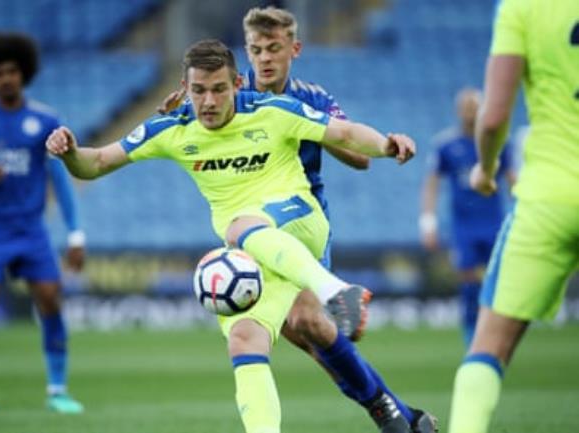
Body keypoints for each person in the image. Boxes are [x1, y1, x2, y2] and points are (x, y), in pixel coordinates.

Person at [48, 39, 419, 433]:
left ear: (238, 84)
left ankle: (335, 291)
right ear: (185, 88)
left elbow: (343, 133)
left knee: (239, 227)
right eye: (199, 90)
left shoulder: (272, 110)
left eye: (219, 89)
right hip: (256, 253)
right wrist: (70, 152)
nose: (208, 101)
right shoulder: (172, 129)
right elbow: (99, 162)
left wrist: (384, 144)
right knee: (245, 338)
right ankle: (390, 411)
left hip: (298, 222)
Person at [159, 7, 436, 433]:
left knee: (307, 321)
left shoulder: (312, 98)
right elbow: (186, 129)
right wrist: (180, 112)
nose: (264, 58)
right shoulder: (226, 93)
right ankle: (395, 411)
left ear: (295, 49)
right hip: (252, 229)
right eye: (255, 50)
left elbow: (359, 157)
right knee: (308, 339)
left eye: (274, 49)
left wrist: (313, 126)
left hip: (299, 224)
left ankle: (388, 410)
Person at [448, 1, 579, 432]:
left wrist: (485, 170)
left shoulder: (523, 6)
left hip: (551, 197)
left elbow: (495, 117)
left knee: (487, 350)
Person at [0, 33, 86, 414]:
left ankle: (58, 390)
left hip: (32, 231)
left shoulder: (44, 121)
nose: (7, 79)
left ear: (23, 74)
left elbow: (60, 179)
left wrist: (76, 234)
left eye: (12, 71)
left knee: (49, 299)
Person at [420, 88, 516, 347]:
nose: (470, 112)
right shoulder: (446, 145)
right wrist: (428, 222)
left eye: (474, 107)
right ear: (458, 111)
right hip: (464, 225)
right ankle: (470, 335)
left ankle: (497, 334)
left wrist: (523, 212)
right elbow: (432, 184)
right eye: (466, 107)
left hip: (494, 221)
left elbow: (512, 179)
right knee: (468, 281)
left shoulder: (499, 142)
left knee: (498, 280)